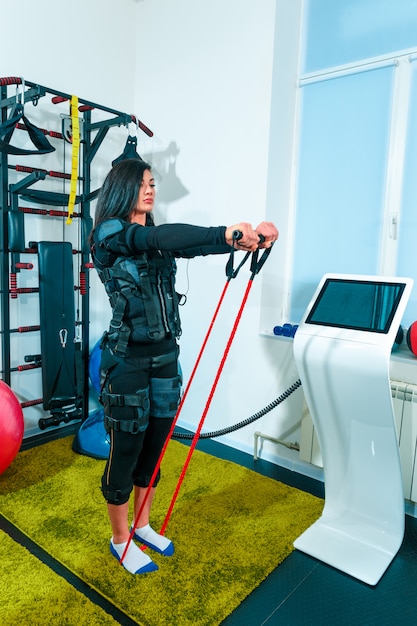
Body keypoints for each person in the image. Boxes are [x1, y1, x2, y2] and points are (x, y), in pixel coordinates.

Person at [90, 158, 278, 575]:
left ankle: (142, 525)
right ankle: (120, 539)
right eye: (143, 184)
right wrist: (223, 232)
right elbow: (154, 237)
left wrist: (238, 242)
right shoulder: (110, 235)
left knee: (155, 449)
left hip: (164, 358)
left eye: (153, 183)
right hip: (126, 362)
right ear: (122, 188)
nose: (151, 190)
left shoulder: (152, 237)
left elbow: (183, 244)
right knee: (126, 452)